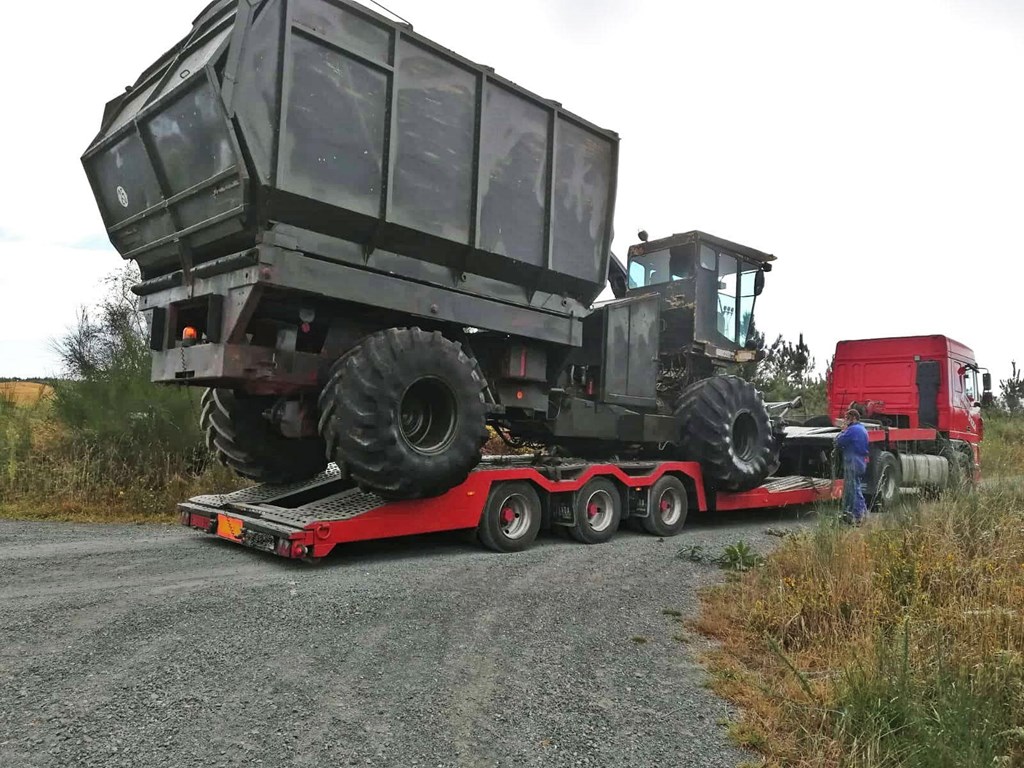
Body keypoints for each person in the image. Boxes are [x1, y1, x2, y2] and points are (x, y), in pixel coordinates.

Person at [836, 408, 869, 524]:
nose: (846, 421)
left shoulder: (852, 430)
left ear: (854, 418)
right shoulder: (862, 429)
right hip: (861, 461)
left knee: (853, 488)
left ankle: (858, 515)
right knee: (856, 486)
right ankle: (858, 513)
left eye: (847, 418)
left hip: (853, 461)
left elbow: (839, 441)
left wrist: (843, 431)